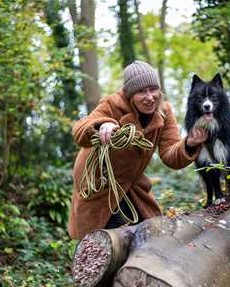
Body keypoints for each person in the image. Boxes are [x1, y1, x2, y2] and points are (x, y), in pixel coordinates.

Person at [68, 60, 208, 240]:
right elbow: (79, 130)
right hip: (100, 183)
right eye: (141, 91)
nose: (150, 97)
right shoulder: (112, 104)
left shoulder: (164, 111)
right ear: (129, 94)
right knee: (105, 242)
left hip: (131, 183)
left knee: (151, 235)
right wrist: (104, 124)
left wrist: (189, 142)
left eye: (153, 89)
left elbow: (170, 155)